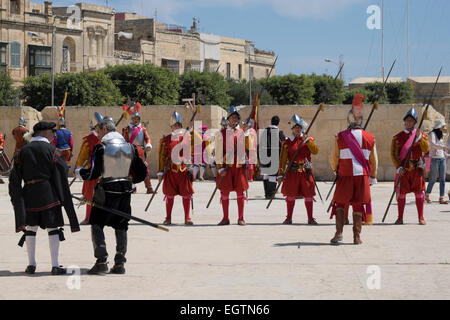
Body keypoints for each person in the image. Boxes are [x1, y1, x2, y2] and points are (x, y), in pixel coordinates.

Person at [75, 118, 147, 275]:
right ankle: (120, 263)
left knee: (96, 223)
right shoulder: (130, 147)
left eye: (99, 130)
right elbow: (143, 172)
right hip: (124, 191)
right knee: (121, 225)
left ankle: (101, 261)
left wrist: (80, 172)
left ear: (104, 129)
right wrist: (130, 181)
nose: (98, 133)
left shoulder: (101, 147)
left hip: (106, 190)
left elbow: (94, 172)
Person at [9, 121, 80, 275]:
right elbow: (60, 177)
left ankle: (31, 265)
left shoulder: (21, 152)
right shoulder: (53, 151)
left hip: (29, 195)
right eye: (51, 132)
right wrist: (63, 195)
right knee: (53, 228)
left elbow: (14, 180)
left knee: (31, 229)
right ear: (44, 133)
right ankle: (55, 266)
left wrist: (17, 201)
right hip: (49, 196)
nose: (54, 135)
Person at [330, 94, 378, 245]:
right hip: (361, 176)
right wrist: (372, 175)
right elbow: (374, 160)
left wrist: (335, 169)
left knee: (340, 203)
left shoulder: (341, 136)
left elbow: (333, 158)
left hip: (345, 174)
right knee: (358, 204)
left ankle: (338, 233)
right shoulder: (370, 137)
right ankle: (357, 237)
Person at [277, 115, 319, 225]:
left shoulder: (308, 140)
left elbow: (315, 151)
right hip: (292, 172)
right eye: (295, 127)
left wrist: (307, 141)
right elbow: (282, 159)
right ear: (292, 129)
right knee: (290, 195)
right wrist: (281, 173)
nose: (297, 129)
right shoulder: (287, 142)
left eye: (299, 127)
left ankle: (310, 218)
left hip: (306, 171)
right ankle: (289, 218)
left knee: (309, 195)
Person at [391, 108, 429, 225]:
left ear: (415, 122)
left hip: (417, 170)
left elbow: (426, 149)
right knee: (401, 194)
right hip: (404, 170)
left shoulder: (421, 135)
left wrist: (419, 138)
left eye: (411, 121)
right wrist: (398, 167)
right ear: (404, 121)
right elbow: (393, 154)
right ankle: (400, 217)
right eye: (407, 121)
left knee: (419, 193)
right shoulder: (397, 137)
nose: (409, 123)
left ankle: (421, 217)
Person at [215, 106, 250, 226]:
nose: (234, 119)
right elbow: (218, 152)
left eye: (236, 117)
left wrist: (246, 135)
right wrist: (220, 168)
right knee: (225, 192)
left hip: (239, 166)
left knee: (240, 193)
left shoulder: (242, 132)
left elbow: (248, 148)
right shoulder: (222, 133)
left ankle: (241, 218)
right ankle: (225, 218)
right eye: (232, 117)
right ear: (228, 119)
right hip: (227, 166)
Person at [74, 113, 102, 225]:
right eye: (99, 126)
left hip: (105, 172)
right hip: (92, 171)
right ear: (95, 127)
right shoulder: (89, 139)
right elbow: (82, 156)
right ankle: (89, 217)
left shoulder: (107, 138)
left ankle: (104, 217)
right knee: (90, 195)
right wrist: (78, 168)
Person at [122, 112, 154, 194]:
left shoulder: (142, 129)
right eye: (134, 118)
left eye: (137, 119)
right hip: (130, 150)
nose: (135, 120)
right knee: (130, 169)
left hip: (140, 152)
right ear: (131, 119)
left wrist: (148, 144)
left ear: (139, 119)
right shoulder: (127, 129)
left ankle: (149, 188)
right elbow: (124, 140)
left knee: (144, 168)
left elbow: (147, 139)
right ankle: (132, 187)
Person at [260, 116, 286, 199]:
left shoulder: (264, 131)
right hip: (275, 155)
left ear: (271, 122)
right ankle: (271, 194)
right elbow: (284, 143)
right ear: (278, 123)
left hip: (264, 155)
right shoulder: (279, 132)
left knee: (266, 175)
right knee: (272, 176)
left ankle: (266, 193)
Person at [425, 119, 448, 204]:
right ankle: (427, 195)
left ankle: (441, 198)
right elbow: (433, 145)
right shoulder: (431, 134)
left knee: (442, 179)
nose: (443, 127)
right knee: (433, 179)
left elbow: (441, 148)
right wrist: (443, 147)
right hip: (434, 159)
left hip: (442, 159)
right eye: (442, 126)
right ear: (439, 126)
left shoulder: (441, 134)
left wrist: (446, 155)